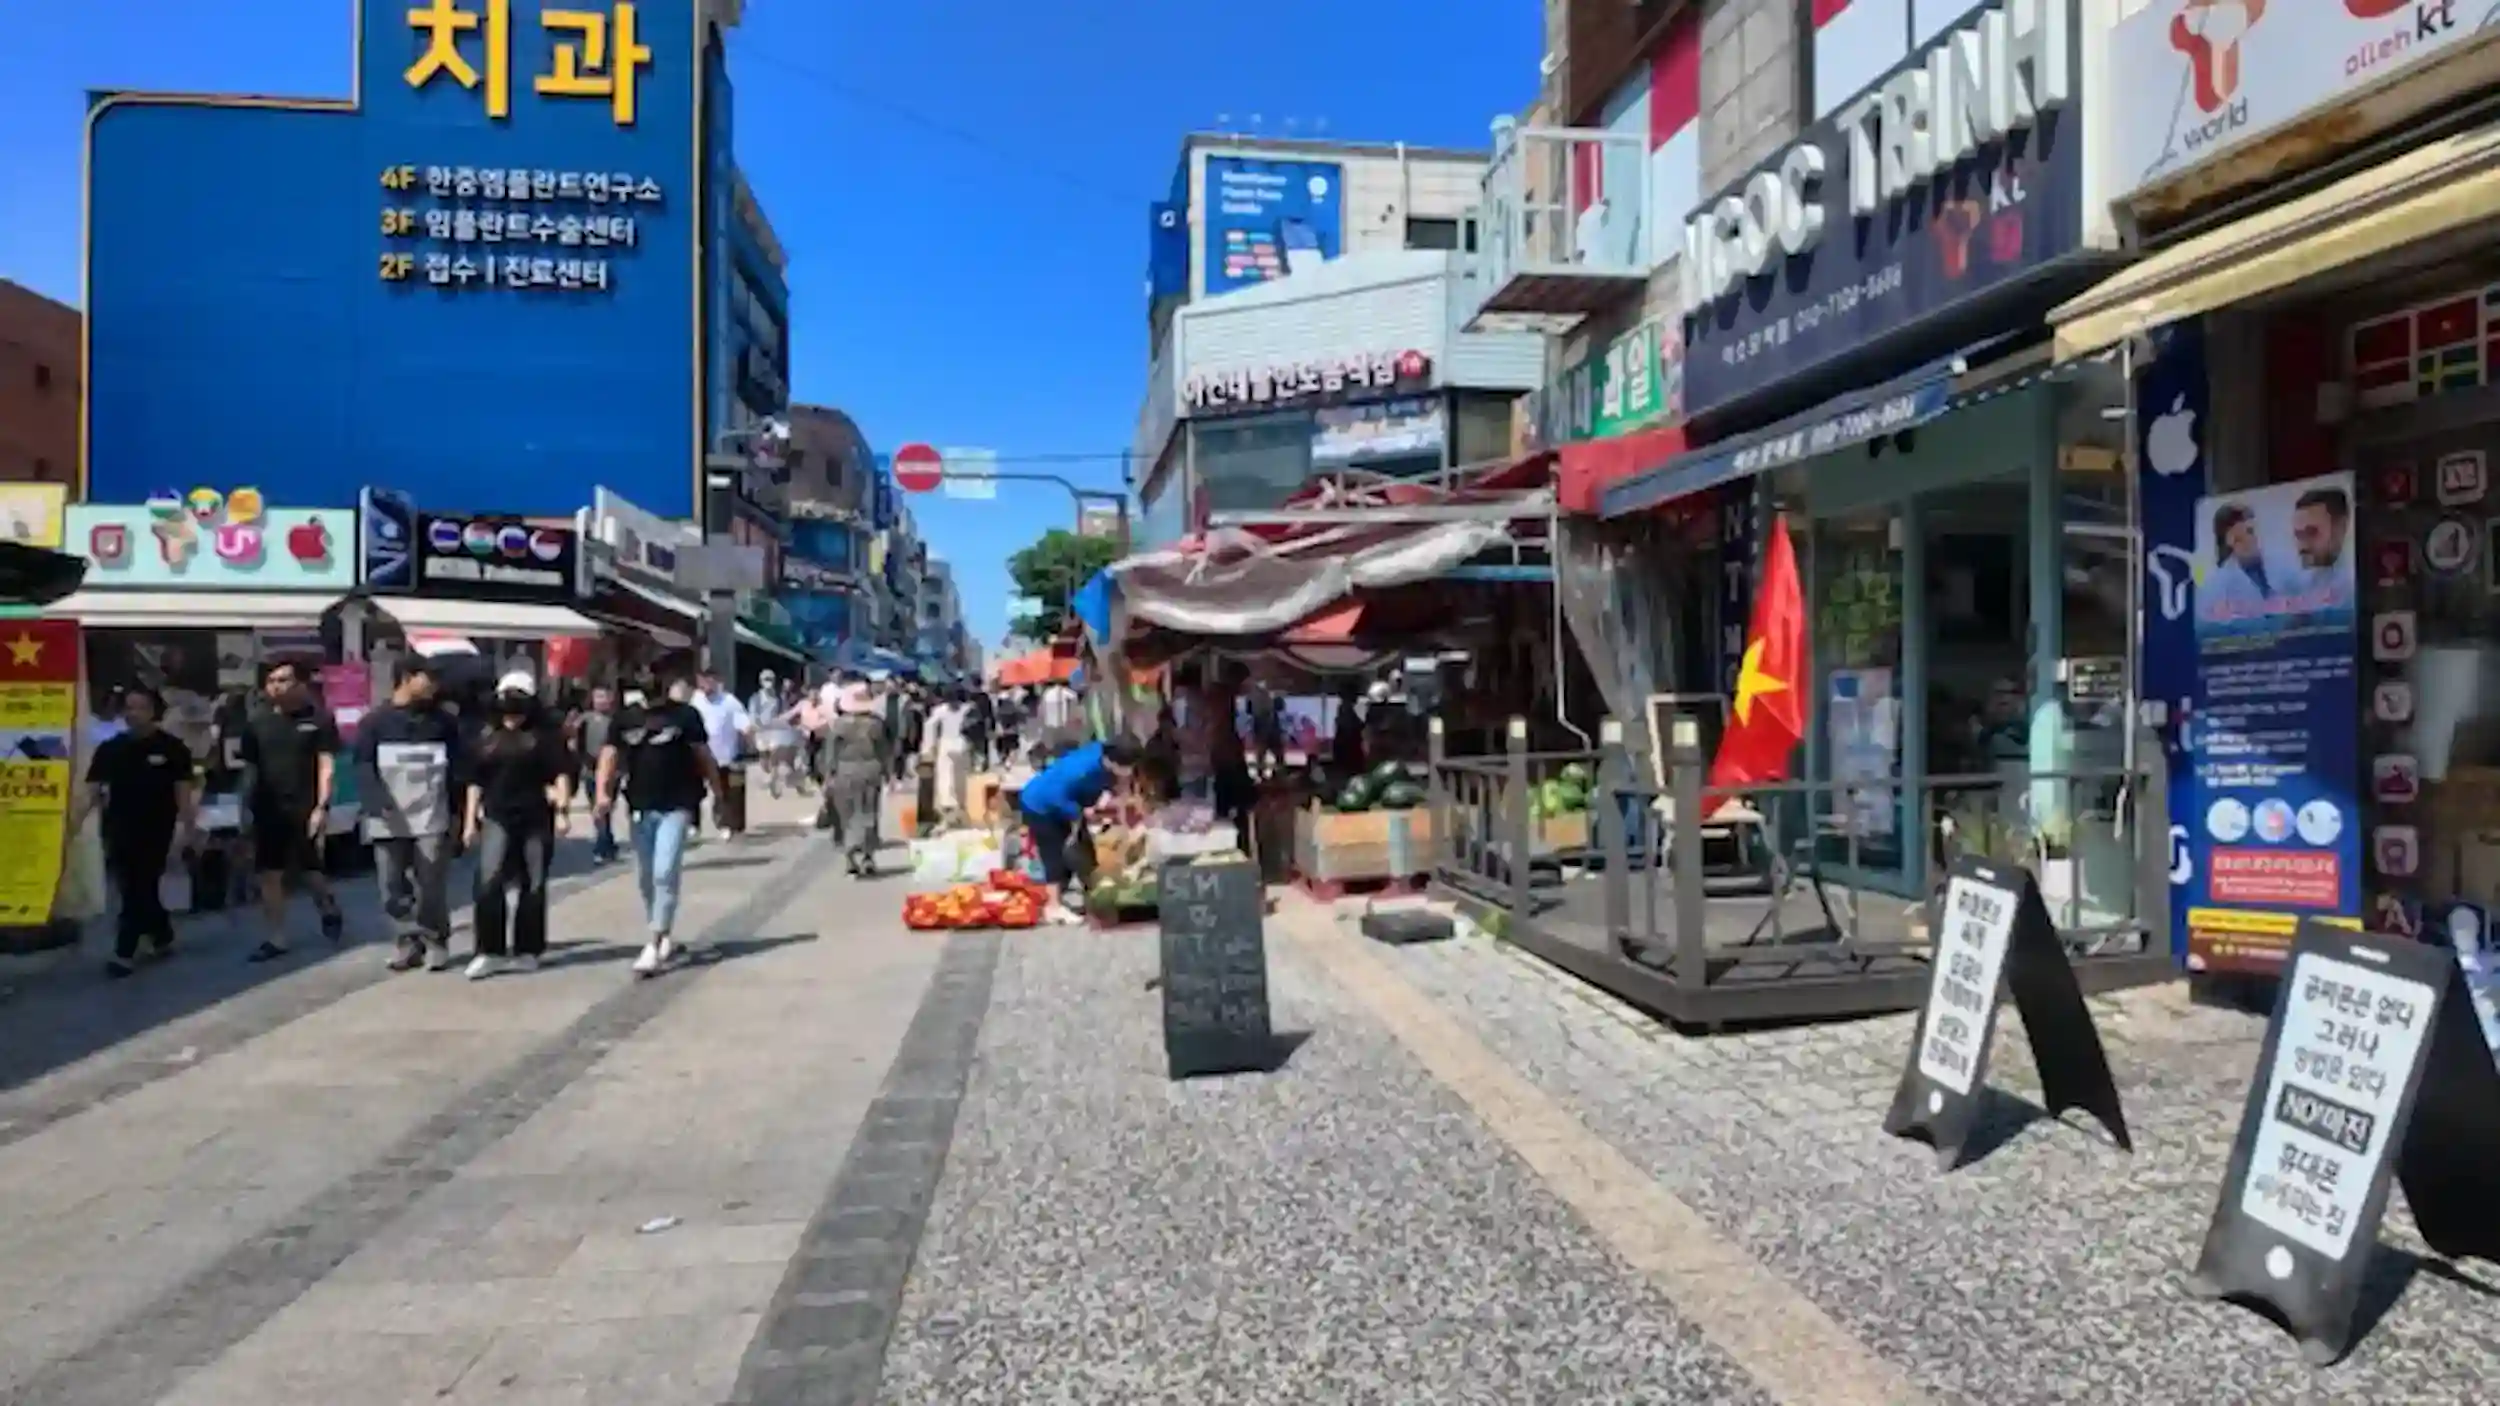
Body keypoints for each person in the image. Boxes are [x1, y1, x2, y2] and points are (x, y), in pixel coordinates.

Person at [597, 679, 727, 976]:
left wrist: (718, 795)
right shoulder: (626, 718)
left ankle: (654, 943)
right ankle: (662, 929)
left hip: (678, 804)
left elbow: (703, 755)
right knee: (646, 876)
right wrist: (604, 793)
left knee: (664, 870)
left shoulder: (685, 716)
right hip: (641, 805)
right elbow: (609, 755)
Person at [78, 686, 197, 978]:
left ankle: (124, 951)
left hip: (158, 829)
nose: (133, 714)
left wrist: (188, 828)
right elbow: (93, 791)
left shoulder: (172, 748)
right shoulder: (110, 749)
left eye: (140, 707)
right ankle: (161, 934)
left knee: (139, 886)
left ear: (153, 712)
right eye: (128, 708)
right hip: (119, 828)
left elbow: (183, 792)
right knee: (133, 886)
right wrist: (74, 823)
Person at [459, 672, 571, 978]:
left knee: (532, 883)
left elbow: (560, 773)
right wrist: (469, 822)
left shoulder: (545, 736)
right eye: (507, 710)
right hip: (496, 815)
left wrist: (562, 810)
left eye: (519, 710)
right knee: (488, 880)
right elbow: (474, 782)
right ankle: (489, 950)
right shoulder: (485, 736)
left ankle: (528, 948)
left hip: (535, 815)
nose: (512, 717)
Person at [356, 660, 463, 973]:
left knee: (431, 883)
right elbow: (362, 764)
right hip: (388, 817)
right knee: (391, 885)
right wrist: (375, 799)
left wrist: (462, 813)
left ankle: (436, 940)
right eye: (428, 679)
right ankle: (407, 941)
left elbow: (458, 768)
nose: (435, 687)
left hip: (432, 815)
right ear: (406, 678)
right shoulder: (375, 722)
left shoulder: (443, 722)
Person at [239, 659, 345, 963]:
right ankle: (276, 937)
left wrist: (322, 806)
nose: (276, 685)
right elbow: (250, 769)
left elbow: (327, 765)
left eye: (284, 679)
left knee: (311, 872)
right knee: (269, 874)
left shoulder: (320, 720)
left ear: (300, 684)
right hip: (267, 808)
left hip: (304, 806)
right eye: (272, 680)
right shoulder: (257, 723)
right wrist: (243, 807)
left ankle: (328, 907)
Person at [1017, 738, 1139, 921]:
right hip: (1040, 804)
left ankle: (1094, 896)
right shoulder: (1083, 769)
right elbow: (1055, 793)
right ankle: (1053, 906)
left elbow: (1108, 789)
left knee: (1082, 849)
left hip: (1063, 799)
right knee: (1054, 852)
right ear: (1114, 762)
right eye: (1127, 767)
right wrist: (1078, 811)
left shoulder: (1101, 756)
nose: (1128, 772)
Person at [821, 675, 890, 877]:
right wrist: (888, 772)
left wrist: (828, 775)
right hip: (871, 769)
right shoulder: (876, 724)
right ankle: (868, 856)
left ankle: (850, 857)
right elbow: (883, 750)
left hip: (846, 770)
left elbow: (830, 753)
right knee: (869, 812)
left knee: (847, 813)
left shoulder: (839, 725)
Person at [689, 669, 751, 838]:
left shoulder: (729, 701)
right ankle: (694, 824)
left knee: (722, 791)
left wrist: (749, 737)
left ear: (717, 681)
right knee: (694, 790)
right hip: (699, 754)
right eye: (702, 681)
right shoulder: (695, 700)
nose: (705, 685)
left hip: (723, 756)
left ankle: (724, 823)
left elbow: (744, 724)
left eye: (709, 681)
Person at [572, 685, 622, 864]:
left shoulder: (617, 720)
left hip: (612, 771)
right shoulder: (585, 719)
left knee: (606, 808)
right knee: (597, 808)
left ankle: (604, 844)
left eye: (604, 696)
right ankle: (605, 844)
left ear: (611, 698)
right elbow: (572, 738)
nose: (601, 700)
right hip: (590, 770)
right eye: (597, 697)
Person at [921, 687, 973, 825]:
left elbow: (929, 727)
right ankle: (957, 801)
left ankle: (950, 802)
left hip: (950, 743)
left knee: (947, 774)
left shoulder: (941, 710)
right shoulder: (966, 709)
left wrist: (928, 747)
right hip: (959, 743)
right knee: (957, 775)